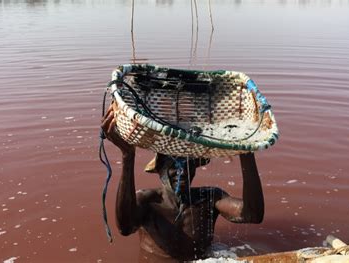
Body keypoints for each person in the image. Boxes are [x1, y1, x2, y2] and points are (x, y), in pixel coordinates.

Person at [101, 103, 265, 262]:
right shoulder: (147, 202)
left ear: (195, 168)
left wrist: (246, 152)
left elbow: (252, 214)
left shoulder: (209, 198)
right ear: (159, 169)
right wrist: (127, 156)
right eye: (173, 165)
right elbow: (124, 227)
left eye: (188, 164)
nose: (181, 171)